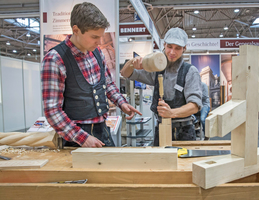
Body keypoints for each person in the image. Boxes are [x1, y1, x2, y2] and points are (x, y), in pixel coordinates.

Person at [41, 2, 141, 148]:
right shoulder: (55, 59)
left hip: (102, 129)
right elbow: (52, 111)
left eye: (101, 36)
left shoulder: (97, 52)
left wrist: (122, 102)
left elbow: (107, 84)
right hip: (76, 137)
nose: (99, 41)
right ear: (76, 30)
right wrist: (82, 138)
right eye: (94, 36)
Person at [121, 27, 202, 146]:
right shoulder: (156, 69)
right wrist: (132, 63)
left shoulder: (190, 72)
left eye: (178, 48)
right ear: (164, 45)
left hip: (184, 132)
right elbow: (125, 73)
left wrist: (172, 113)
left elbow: (194, 106)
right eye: (169, 47)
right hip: (161, 128)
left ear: (184, 48)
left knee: (184, 164)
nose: (172, 52)